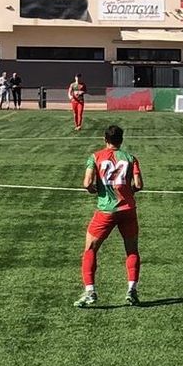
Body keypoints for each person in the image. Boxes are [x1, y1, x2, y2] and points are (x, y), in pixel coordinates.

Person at [76, 125, 144, 308]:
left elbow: (87, 183)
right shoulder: (130, 158)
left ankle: (90, 291)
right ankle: (132, 290)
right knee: (132, 250)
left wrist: (93, 190)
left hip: (106, 211)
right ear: (121, 140)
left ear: (105, 139)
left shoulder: (95, 157)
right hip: (128, 210)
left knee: (90, 249)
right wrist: (129, 192)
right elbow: (138, 184)